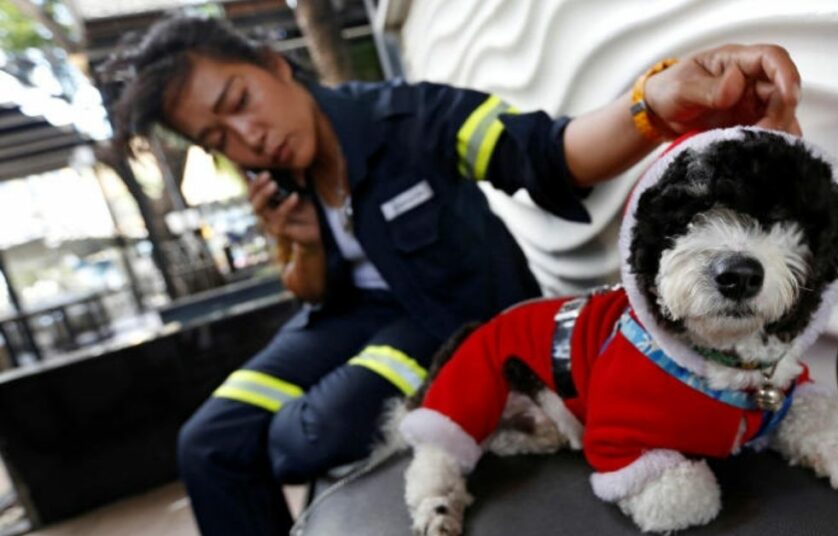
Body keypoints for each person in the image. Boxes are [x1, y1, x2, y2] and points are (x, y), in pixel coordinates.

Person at [101, 15, 802, 536]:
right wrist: (302, 248)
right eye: (218, 140)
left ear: (273, 65)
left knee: (299, 441)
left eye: (238, 103)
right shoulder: (280, 180)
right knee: (207, 444)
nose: (247, 138)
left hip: (447, 325)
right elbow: (312, 293)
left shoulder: (410, 117)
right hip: (348, 316)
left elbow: (551, 152)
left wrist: (658, 100)